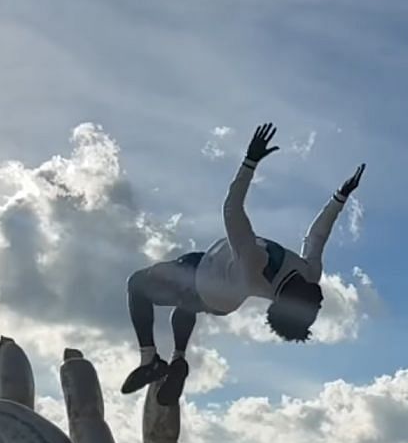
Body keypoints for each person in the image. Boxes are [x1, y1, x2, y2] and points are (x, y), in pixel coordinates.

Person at [120, 123, 364, 406]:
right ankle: (179, 360)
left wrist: (250, 162)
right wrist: (340, 198)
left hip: (200, 275)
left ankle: (149, 359)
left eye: (314, 306)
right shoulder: (310, 273)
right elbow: (317, 235)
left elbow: (232, 209)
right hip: (221, 301)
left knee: (137, 283)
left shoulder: (254, 261)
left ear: (296, 297)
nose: (321, 302)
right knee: (185, 308)